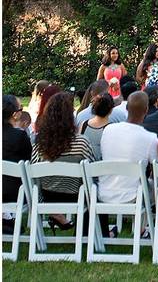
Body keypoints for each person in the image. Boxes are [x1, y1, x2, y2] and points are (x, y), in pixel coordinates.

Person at [31, 92, 95, 233]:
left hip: (48, 196)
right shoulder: (81, 142)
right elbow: (91, 172)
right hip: (76, 196)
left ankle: (57, 218)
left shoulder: (40, 144)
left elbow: (33, 172)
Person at [99, 92, 158, 238]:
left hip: (104, 191)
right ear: (146, 110)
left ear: (127, 108)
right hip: (133, 195)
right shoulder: (150, 138)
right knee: (155, 185)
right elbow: (156, 169)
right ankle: (141, 230)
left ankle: (140, 229)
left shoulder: (108, 130)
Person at [3, 95, 32, 233]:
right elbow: (28, 164)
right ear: (15, 115)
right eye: (21, 109)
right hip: (14, 193)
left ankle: (7, 219)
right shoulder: (20, 136)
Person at [79, 93, 114, 160]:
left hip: (86, 167)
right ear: (111, 110)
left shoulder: (83, 125)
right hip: (102, 167)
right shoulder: (111, 129)